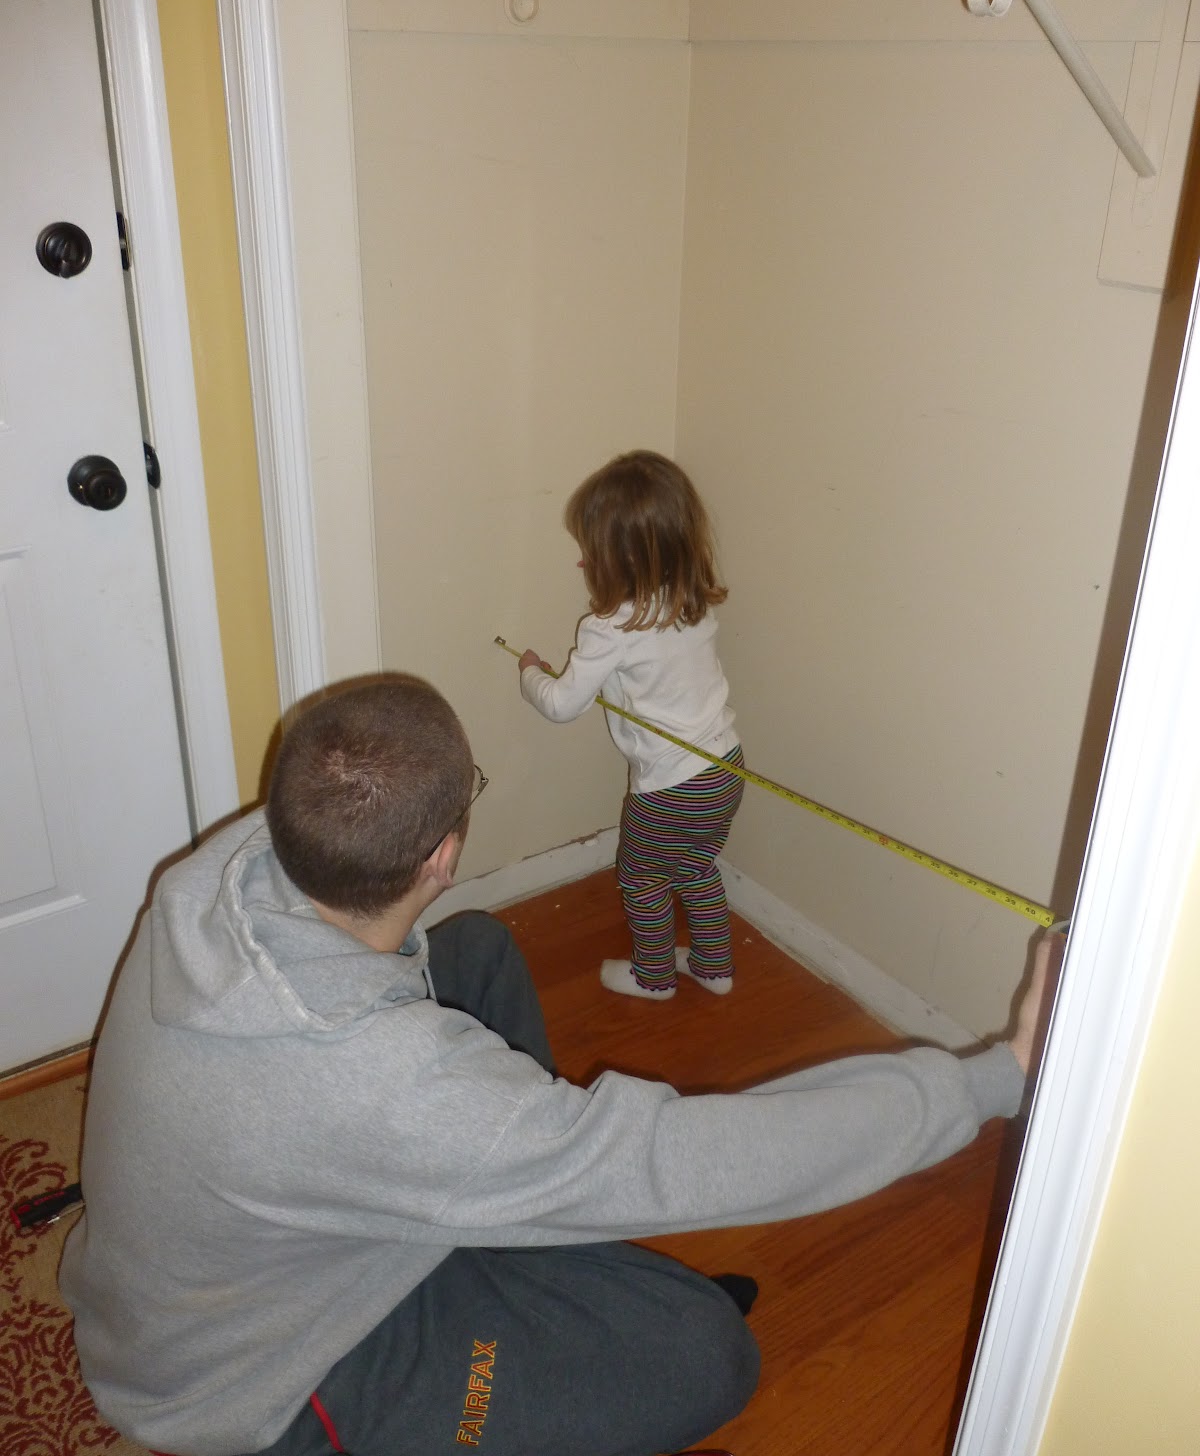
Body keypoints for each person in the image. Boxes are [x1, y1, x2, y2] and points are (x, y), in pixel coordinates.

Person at [60, 674, 1057, 1456]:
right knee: (707, 1351)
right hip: (254, 1376)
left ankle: (521, 1212)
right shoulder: (384, 1088)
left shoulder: (217, 872)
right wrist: (995, 1073)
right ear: (442, 855)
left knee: (477, 952)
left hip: (219, 1252)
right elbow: (678, 1159)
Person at [518, 450, 743, 1000]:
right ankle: (714, 966)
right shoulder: (692, 605)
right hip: (725, 768)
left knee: (643, 878)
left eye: (591, 551)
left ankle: (654, 975)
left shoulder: (609, 627)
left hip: (669, 787)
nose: (583, 562)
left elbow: (562, 705)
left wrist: (531, 674)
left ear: (620, 559)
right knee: (696, 866)